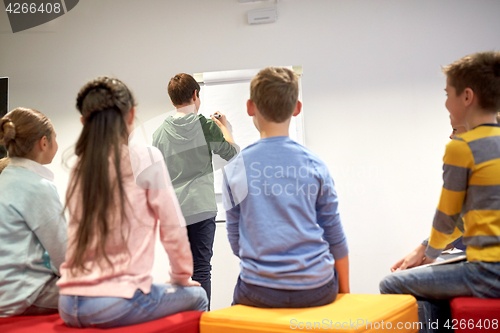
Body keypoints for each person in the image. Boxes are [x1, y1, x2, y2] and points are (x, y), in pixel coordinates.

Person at [57, 76, 208, 328]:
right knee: (198, 296)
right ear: (131, 115)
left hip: (68, 303)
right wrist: (181, 277)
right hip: (112, 303)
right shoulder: (144, 157)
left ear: (84, 121)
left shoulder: (79, 167)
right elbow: (172, 227)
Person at [380, 51, 500, 332]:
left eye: (448, 94)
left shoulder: (462, 148)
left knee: (390, 284)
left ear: (467, 97)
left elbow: (448, 215)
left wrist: (430, 254)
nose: (446, 103)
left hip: (486, 272)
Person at [222, 67, 349, 308]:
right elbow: (335, 236)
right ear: (297, 108)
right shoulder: (315, 165)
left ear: (250, 107)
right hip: (317, 289)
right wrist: (345, 295)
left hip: (259, 290)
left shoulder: (235, 168)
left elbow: (235, 239)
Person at [152, 73, 237, 309]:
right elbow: (231, 152)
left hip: (174, 211)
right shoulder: (206, 126)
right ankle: (203, 320)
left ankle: (185, 322)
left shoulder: (158, 134)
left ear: (172, 100)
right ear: (195, 94)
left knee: (180, 271)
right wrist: (223, 126)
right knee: (201, 269)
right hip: (201, 208)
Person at [0, 107, 66, 317]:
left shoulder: (6, 178)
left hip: (7, 291)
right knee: (114, 290)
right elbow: (64, 257)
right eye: (55, 138)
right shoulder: (37, 186)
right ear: (44, 142)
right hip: (25, 295)